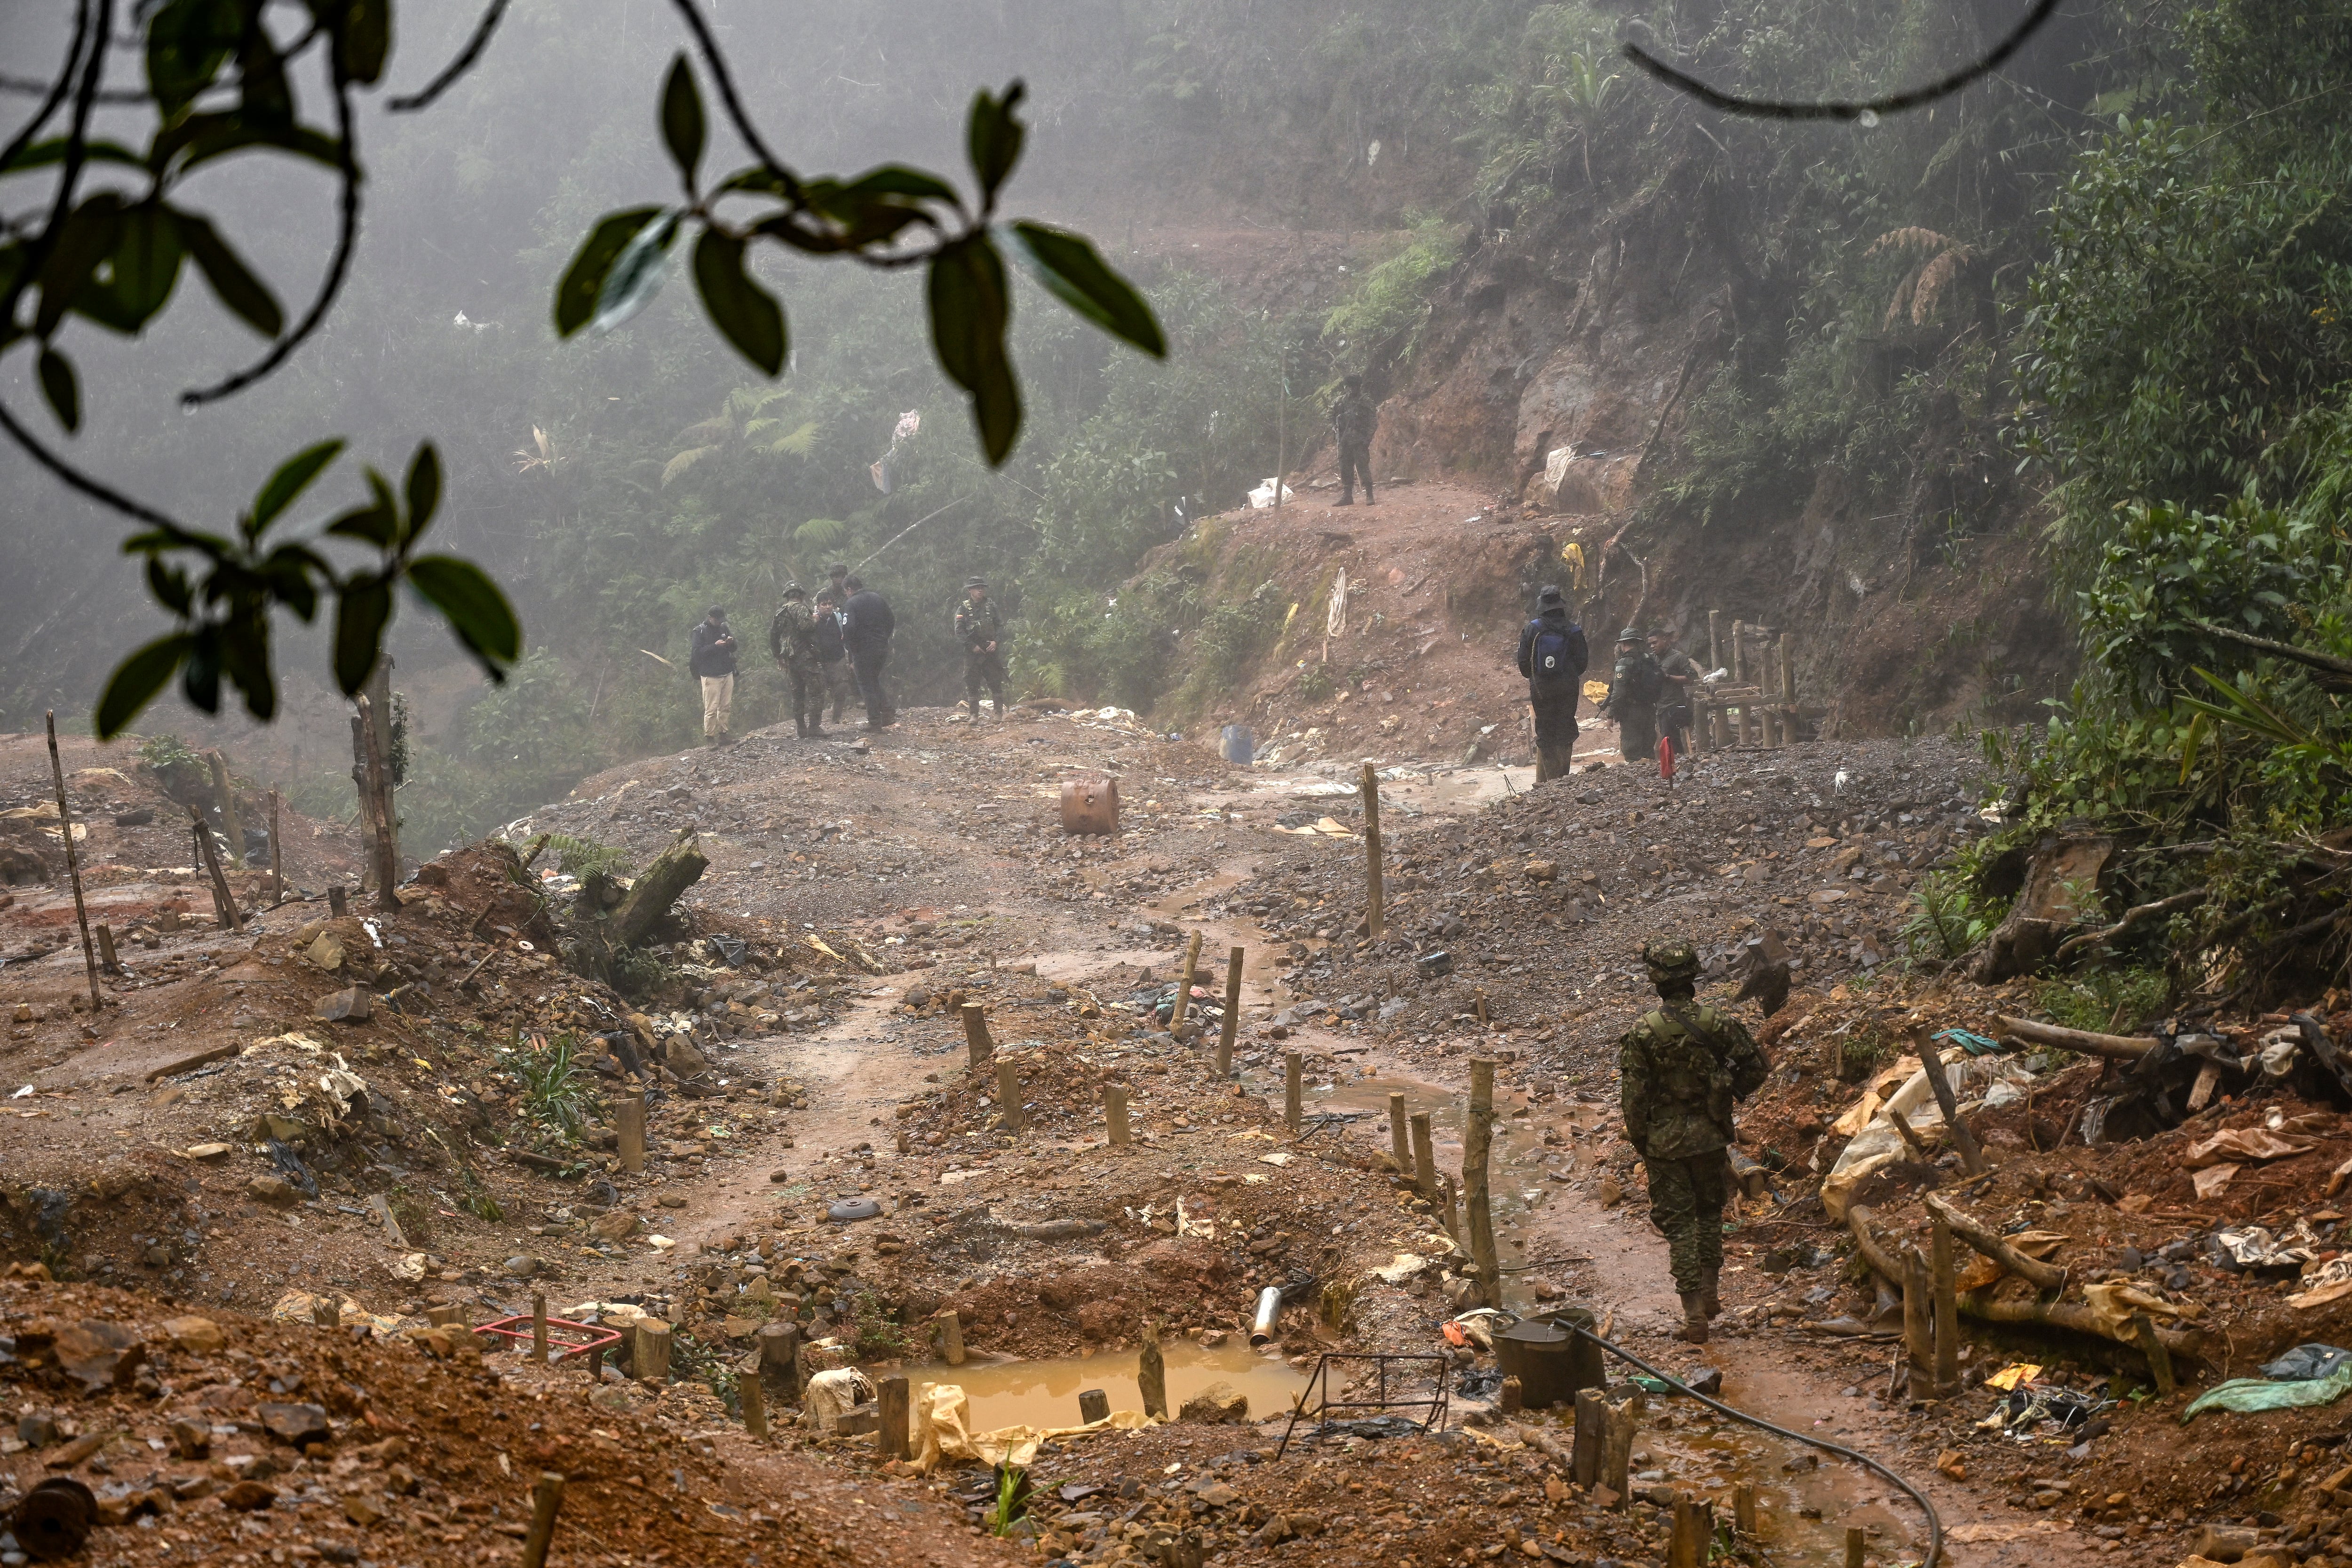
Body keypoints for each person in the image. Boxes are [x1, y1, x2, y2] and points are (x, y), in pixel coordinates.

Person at [1617, 939, 1769, 1344]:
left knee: (1680, 1223)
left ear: (1657, 982)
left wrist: (1642, 1140)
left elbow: (1634, 1098)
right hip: (1710, 1136)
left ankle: (1694, 1314)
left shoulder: (1643, 1031)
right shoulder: (1716, 1022)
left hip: (1665, 1143)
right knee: (1709, 1213)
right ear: (1693, 978)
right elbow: (1757, 1066)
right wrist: (1728, 1094)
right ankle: (1710, 1294)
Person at [1515, 584, 1588, 782]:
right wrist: (1567, 676)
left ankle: (1550, 781)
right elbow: (1582, 663)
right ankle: (1563, 778)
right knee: (1565, 728)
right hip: (1568, 688)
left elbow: (1523, 665)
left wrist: (1538, 677)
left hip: (1541, 688)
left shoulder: (1532, 629)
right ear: (1560, 605)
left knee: (1546, 731)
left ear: (1542, 605)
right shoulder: (1574, 630)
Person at [767, 583, 825, 739]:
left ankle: (801, 728)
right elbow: (806, 627)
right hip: (806, 657)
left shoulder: (780, 613)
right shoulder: (801, 609)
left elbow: (773, 637)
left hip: (789, 659)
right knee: (816, 691)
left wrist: (778, 657)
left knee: (797, 694)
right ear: (800, 595)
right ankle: (814, 727)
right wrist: (816, 619)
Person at [1603, 626, 1662, 769]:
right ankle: (1650, 776)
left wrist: (1611, 714)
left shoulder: (1624, 663)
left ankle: (1637, 777)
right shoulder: (1649, 659)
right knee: (1648, 749)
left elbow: (1618, 693)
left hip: (1632, 713)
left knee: (1632, 751)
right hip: (1650, 710)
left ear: (1623, 644)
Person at [842, 575, 897, 729]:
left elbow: (848, 628)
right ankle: (887, 712)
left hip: (863, 648)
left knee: (865, 684)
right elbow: (891, 620)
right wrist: (883, 637)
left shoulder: (851, 603)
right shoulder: (877, 598)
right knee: (873, 679)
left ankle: (874, 721)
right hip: (881, 647)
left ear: (849, 590)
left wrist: (851, 648)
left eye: (846, 591)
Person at [955, 576, 1008, 719]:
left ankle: (998, 713)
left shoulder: (991, 606)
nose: (980, 590)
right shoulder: (963, 608)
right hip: (973, 653)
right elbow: (959, 631)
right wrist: (972, 646)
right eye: (977, 588)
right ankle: (974, 715)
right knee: (972, 683)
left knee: (995, 681)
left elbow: (1000, 626)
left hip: (990, 650)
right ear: (970, 590)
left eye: (982, 588)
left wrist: (996, 642)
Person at [1649, 627, 1701, 760]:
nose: (1652, 646)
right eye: (1650, 644)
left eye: (1655, 643)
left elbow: (1690, 678)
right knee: (1661, 742)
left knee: (1672, 741)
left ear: (1664, 640)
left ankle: (1678, 763)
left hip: (1674, 706)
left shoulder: (1678, 657)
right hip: (1658, 706)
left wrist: (1668, 677)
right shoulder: (1652, 659)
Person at [688, 605, 738, 745]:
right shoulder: (700, 631)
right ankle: (710, 737)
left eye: (721, 620)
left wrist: (731, 643)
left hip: (727, 672)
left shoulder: (724, 628)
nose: (719, 622)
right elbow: (697, 653)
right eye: (717, 620)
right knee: (711, 708)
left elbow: (734, 648)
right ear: (710, 618)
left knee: (726, 706)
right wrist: (715, 646)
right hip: (710, 675)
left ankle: (724, 734)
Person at [811, 584, 855, 726]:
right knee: (819, 692)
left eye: (830, 604)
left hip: (838, 659)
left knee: (841, 689)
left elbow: (848, 638)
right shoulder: (813, 621)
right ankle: (816, 724)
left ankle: (835, 720)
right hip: (820, 662)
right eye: (824, 604)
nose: (828, 607)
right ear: (818, 606)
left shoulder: (839, 618)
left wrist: (851, 660)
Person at [1330, 376, 1376, 507]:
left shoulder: (1366, 402)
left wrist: (1367, 439)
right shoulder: (1340, 401)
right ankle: (1347, 496)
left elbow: (1373, 422)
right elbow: (1330, 414)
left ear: (1359, 387)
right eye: (1349, 387)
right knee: (1345, 468)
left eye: (1354, 387)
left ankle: (1369, 495)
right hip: (1344, 441)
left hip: (1359, 441)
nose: (1351, 390)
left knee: (1363, 467)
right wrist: (1333, 427)